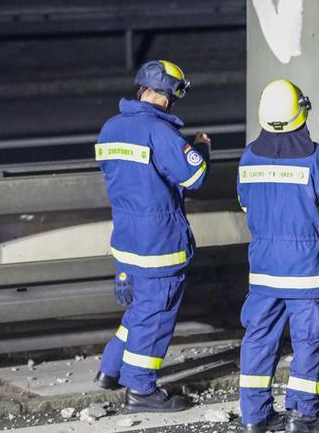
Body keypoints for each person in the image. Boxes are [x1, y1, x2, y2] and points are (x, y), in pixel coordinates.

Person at [92, 60, 211, 412]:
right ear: (170, 94)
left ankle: (110, 370)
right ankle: (141, 390)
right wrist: (201, 148)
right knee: (156, 315)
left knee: (140, 309)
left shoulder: (110, 128)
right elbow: (194, 177)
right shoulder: (161, 133)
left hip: (126, 239)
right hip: (160, 242)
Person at [237, 80, 319, 433]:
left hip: (265, 270)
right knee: (309, 345)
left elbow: (245, 204)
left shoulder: (248, 157)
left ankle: (254, 418)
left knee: (258, 342)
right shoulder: (318, 158)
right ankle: (302, 418)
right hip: (307, 273)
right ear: (302, 112)